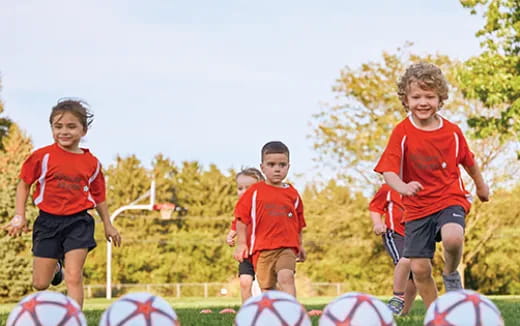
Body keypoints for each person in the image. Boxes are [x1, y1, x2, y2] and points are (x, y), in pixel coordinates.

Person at [374, 62, 489, 309]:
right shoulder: (402, 132)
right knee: (419, 268)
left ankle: (450, 274)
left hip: (449, 197)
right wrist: (402, 187)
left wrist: (481, 187)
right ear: (405, 100)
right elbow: (388, 170)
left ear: (441, 99)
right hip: (416, 208)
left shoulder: (452, 132)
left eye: (430, 96)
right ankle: (436, 313)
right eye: (416, 97)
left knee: (453, 238)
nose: (423, 102)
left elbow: (469, 162)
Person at [3, 99, 121, 308]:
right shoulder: (42, 156)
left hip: (79, 222)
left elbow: (99, 197)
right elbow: (24, 184)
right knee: (40, 283)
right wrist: (19, 216)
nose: (64, 131)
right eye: (58, 127)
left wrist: (108, 225)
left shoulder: (91, 163)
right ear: (51, 129)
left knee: (74, 276)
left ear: (83, 130)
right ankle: (57, 266)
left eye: (71, 126)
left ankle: (75, 319)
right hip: (48, 222)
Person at [233, 141, 306, 297]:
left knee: (286, 277)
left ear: (288, 166)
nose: (277, 169)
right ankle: (272, 315)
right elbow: (241, 219)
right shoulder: (254, 192)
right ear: (263, 167)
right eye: (271, 164)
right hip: (262, 250)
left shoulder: (293, 194)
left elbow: (299, 223)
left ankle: (292, 314)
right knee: (267, 289)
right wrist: (241, 244)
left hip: (287, 247)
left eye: (282, 165)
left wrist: (300, 245)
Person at [369, 183, 417, 315]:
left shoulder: (423, 185)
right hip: (394, 233)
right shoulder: (389, 187)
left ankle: (403, 313)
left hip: (416, 236)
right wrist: (378, 223)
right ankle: (398, 297)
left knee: (415, 274)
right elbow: (375, 207)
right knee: (405, 260)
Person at [226, 167, 264, 302]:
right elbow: (237, 223)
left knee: (266, 285)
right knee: (244, 282)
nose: (243, 192)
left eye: (248, 188)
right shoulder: (240, 208)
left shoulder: (265, 207)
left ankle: (270, 310)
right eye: (240, 188)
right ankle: (247, 312)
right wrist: (231, 235)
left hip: (264, 254)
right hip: (246, 254)